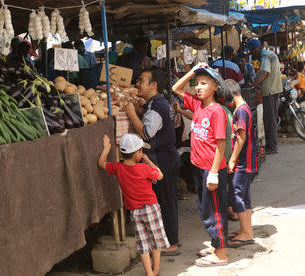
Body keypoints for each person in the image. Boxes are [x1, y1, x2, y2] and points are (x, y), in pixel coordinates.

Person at [172, 64, 228, 267]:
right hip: (199, 166)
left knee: (216, 211)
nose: (198, 87)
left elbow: (221, 143)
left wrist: (213, 172)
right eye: (197, 84)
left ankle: (221, 254)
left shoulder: (217, 112)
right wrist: (193, 71)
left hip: (211, 169)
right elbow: (176, 89)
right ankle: (215, 245)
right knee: (205, 209)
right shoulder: (197, 105)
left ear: (215, 87)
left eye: (204, 83)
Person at [125, 68, 181, 256]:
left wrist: (132, 113)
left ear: (153, 85)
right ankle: (167, 240)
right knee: (164, 201)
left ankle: (172, 243)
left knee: (166, 202)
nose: (138, 84)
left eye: (142, 80)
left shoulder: (158, 106)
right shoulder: (157, 103)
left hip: (163, 160)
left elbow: (147, 133)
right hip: (165, 158)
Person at [98, 133, 169, 276]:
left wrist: (106, 148)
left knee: (143, 244)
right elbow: (160, 175)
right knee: (156, 241)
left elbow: (101, 164)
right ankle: (155, 270)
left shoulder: (118, 168)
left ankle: (148, 272)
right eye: (141, 151)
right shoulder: (144, 168)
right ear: (138, 153)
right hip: (151, 209)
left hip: (135, 212)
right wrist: (148, 161)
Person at [225, 79, 257, 248]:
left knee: (236, 195)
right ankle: (247, 228)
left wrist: (232, 160)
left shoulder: (241, 111)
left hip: (242, 161)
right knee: (244, 195)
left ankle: (246, 232)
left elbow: (241, 137)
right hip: (246, 160)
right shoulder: (242, 108)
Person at [247, 38, 283, 154]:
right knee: (270, 119)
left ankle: (272, 147)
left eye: (252, 51)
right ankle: (271, 145)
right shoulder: (268, 54)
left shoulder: (265, 56)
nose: (252, 54)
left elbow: (265, 72)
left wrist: (254, 85)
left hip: (270, 91)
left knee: (270, 120)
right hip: (272, 90)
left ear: (257, 49)